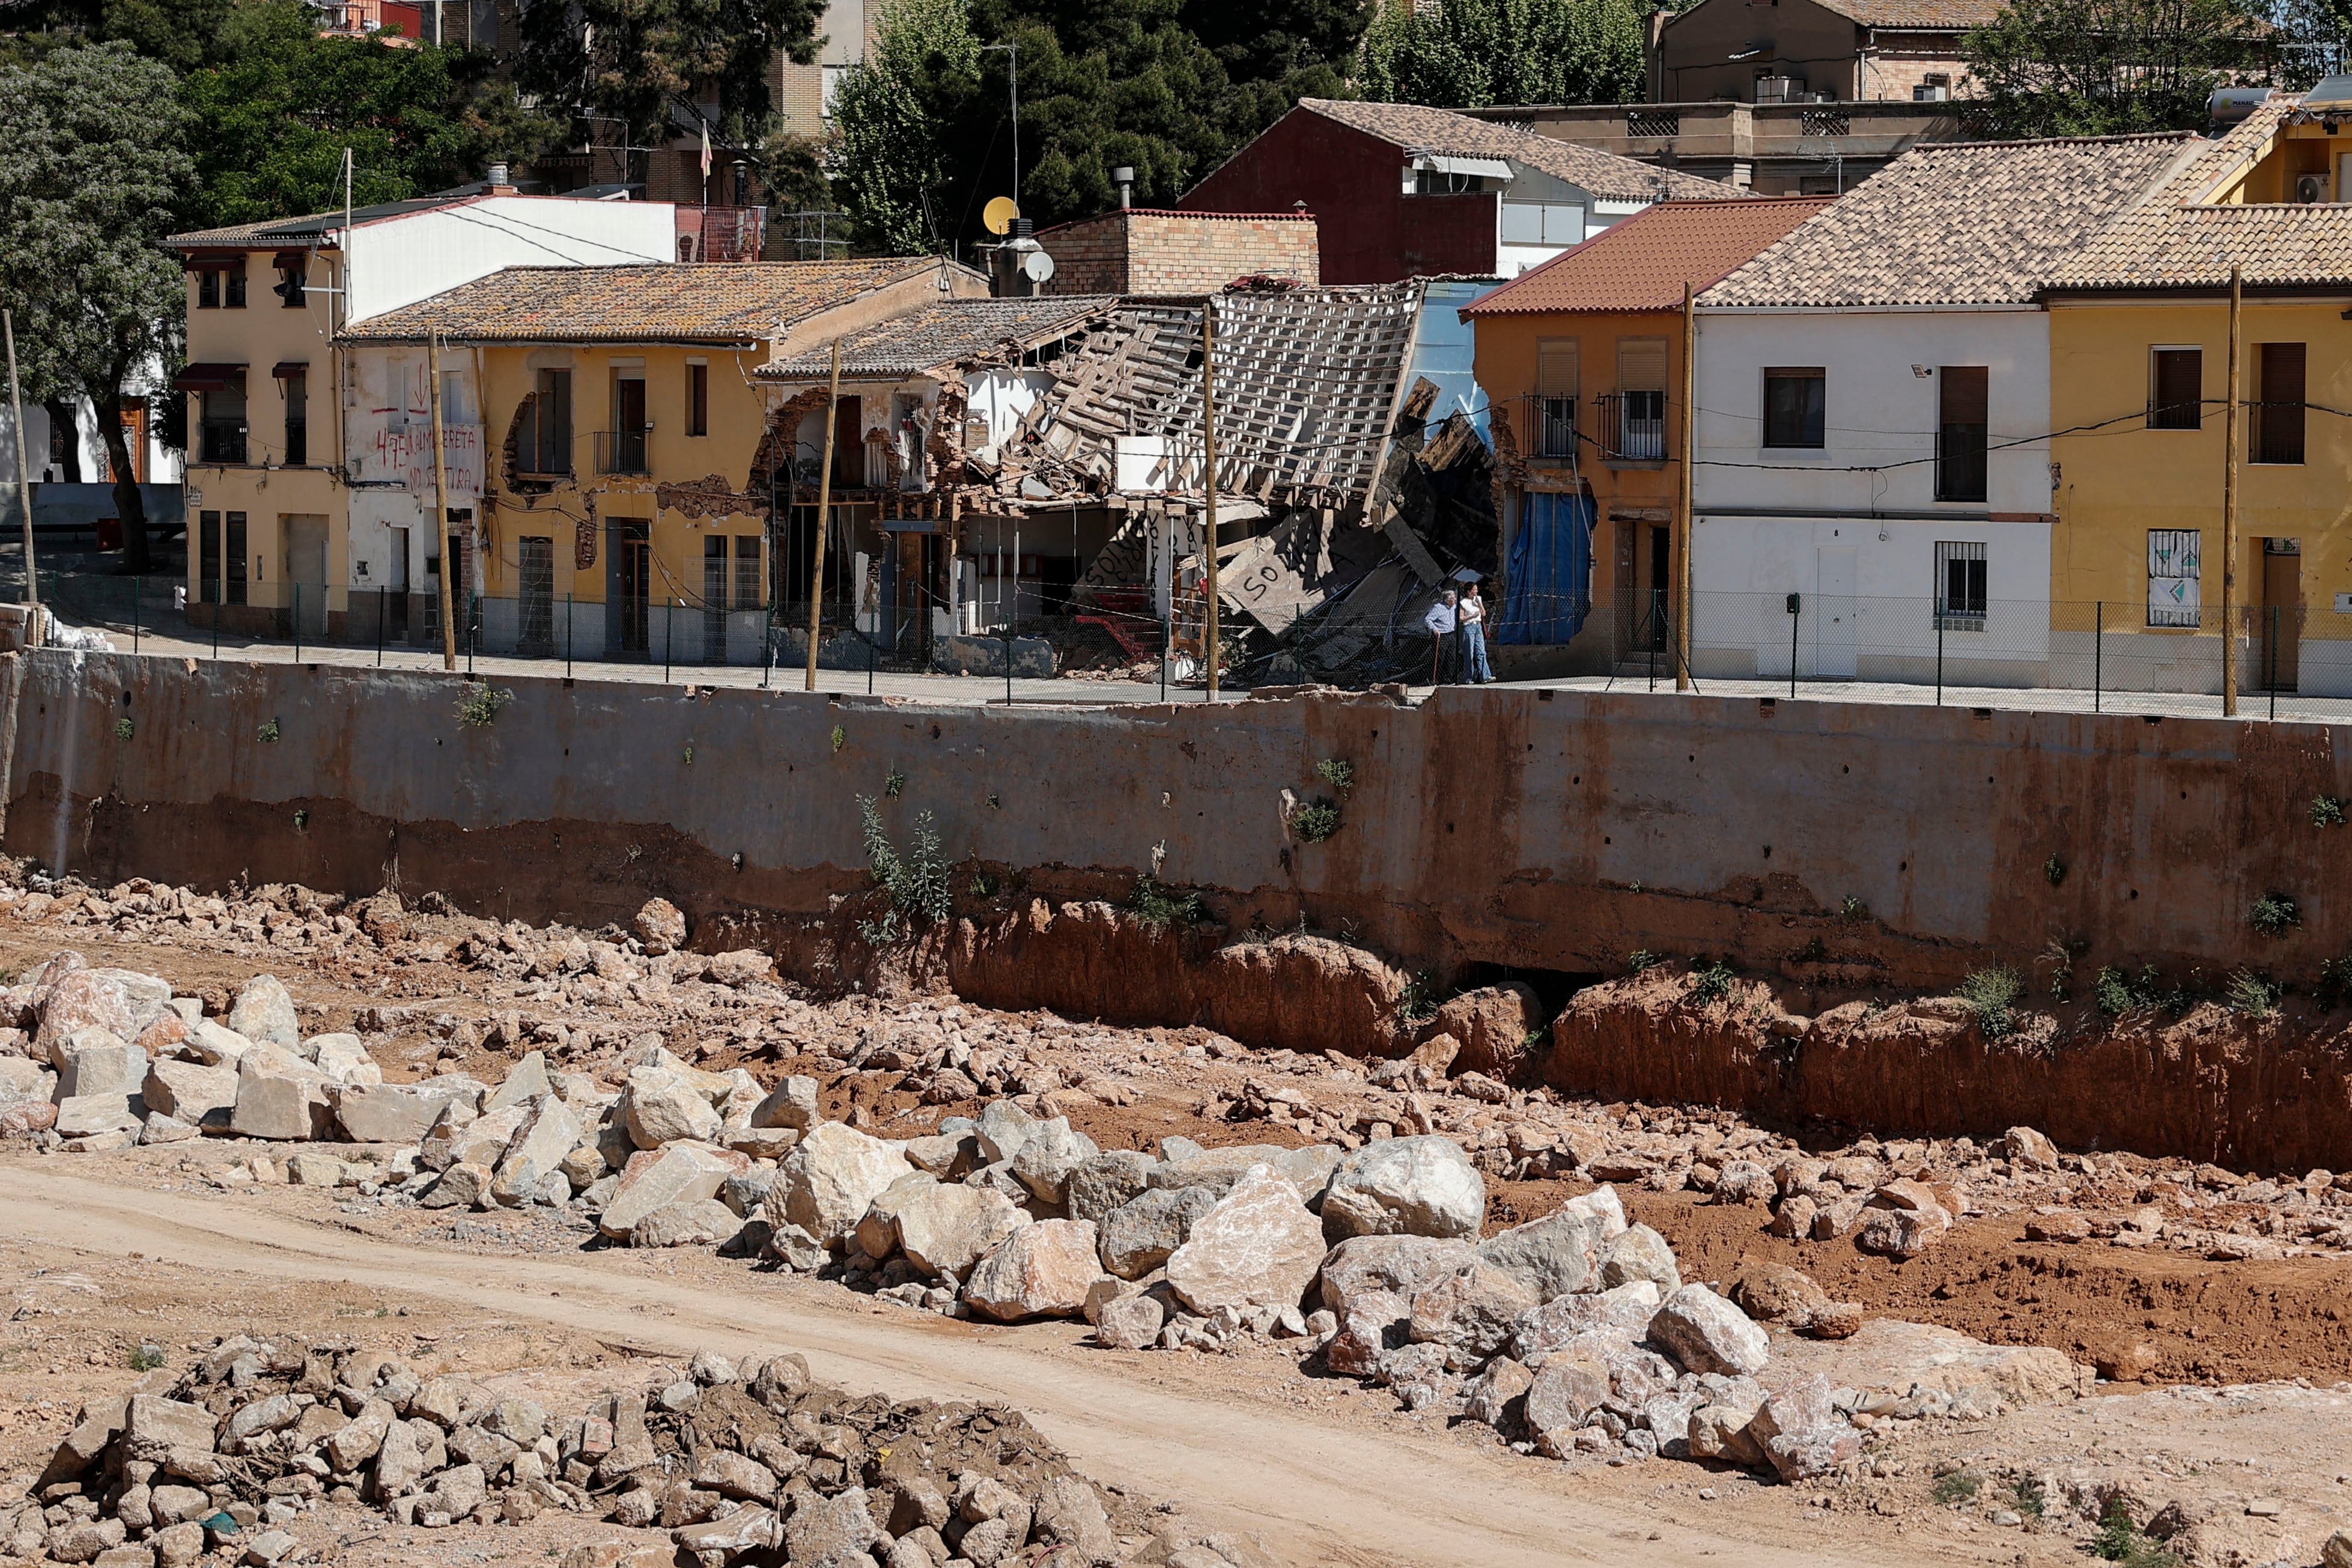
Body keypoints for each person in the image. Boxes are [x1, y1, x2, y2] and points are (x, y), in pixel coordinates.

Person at [1459, 582, 1494, 683]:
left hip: (1478, 626)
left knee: (1481, 651)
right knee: (1469, 652)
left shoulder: (1478, 599)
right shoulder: (1463, 602)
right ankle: (1469, 677)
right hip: (1469, 626)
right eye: (1474, 589)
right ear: (1469, 591)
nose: (1476, 591)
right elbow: (1461, 618)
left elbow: (1484, 613)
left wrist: (1479, 603)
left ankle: (1486, 676)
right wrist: (1471, 616)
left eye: (1476, 589)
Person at [1424, 589, 1459, 684]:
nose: (1455, 600)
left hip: (1451, 634)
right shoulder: (1438, 608)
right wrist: (1435, 629)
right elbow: (1428, 619)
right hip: (1441, 635)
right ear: (1447, 600)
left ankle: (1447, 679)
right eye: (1453, 598)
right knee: (1439, 658)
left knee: (1451, 657)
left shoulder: (1454, 606)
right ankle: (1433, 679)